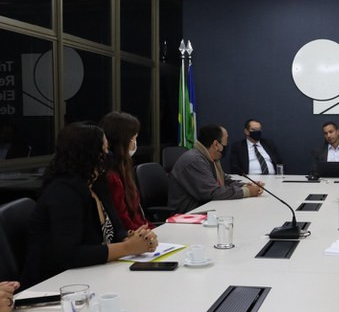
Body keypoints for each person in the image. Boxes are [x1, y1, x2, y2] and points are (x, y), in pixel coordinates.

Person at [20, 122, 158, 289]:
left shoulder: (96, 183)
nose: (108, 155)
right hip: (56, 285)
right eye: (104, 150)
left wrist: (132, 237)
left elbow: (116, 228)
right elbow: (68, 254)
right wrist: (127, 247)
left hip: (95, 275)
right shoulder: (63, 193)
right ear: (89, 154)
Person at [168, 124, 263, 213]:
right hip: (189, 214)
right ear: (216, 144)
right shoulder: (195, 161)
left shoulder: (209, 157)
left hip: (206, 208)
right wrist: (247, 191)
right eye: (225, 143)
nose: (226, 146)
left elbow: (224, 181)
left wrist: (246, 185)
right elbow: (212, 193)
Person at [100, 112, 154, 231]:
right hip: (132, 239)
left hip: (142, 234)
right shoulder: (112, 176)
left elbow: (137, 215)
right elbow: (123, 220)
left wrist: (152, 230)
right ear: (124, 141)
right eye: (134, 138)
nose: (135, 143)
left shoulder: (124, 169)